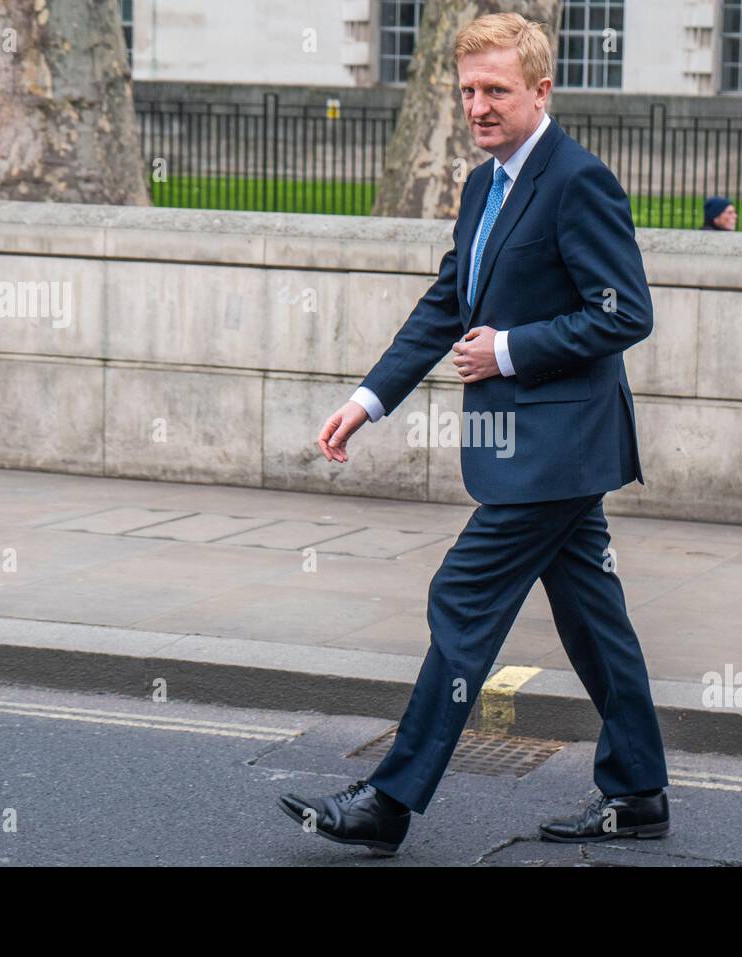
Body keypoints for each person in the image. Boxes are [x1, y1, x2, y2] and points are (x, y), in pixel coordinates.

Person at [279, 12, 670, 855]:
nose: (479, 106)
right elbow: (446, 303)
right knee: (594, 621)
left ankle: (389, 800)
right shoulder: (483, 185)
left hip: (557, 450)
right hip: (530, 449)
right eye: (467, 91)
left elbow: (624, 312)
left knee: (461, 599)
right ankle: (638, 791)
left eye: (496, 90)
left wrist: (511, 350)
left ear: (540, 90)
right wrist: (369, 398)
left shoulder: (578, 181)